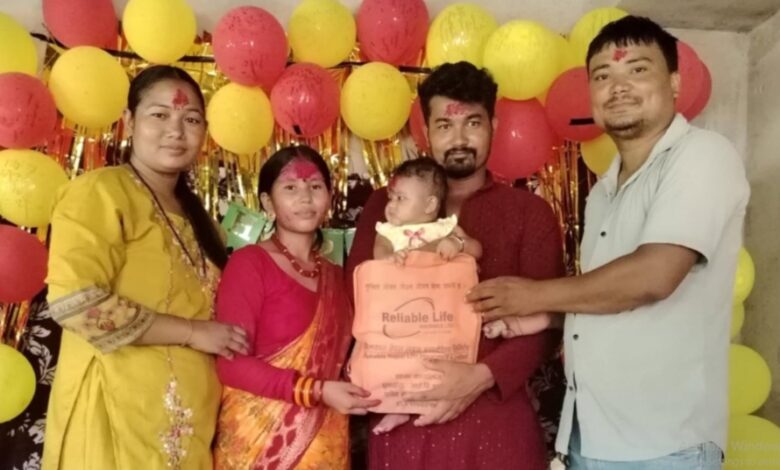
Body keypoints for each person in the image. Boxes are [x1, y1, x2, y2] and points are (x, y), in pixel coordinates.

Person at [468, 16, 750, 469]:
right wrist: (544, 317)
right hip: (591, 433)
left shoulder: (703, 155)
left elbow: (653, 276)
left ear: (674, 83)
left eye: (637, 69)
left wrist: (533, 294)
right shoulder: (603, 191)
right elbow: (606, 297)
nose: (618, 86)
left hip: (662, 444)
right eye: (602, 76)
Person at [346, 61, 564, 470]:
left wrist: (480, 376)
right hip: (402, 419)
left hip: (495, 423)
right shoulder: (385, 206)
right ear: (426, 132)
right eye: (445, 125)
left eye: (473, 123)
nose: (459, 138)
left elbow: (550, 322)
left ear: (494, 126)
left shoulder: (528, 212)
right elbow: (358, 297)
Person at [43, 65, 249, 470]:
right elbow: (76, 304)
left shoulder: (203, 221)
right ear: (129, 122)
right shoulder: (101, 192)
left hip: (190, 426)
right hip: (114, 417)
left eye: (191, 119)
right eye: (160, 115)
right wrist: (193, 332)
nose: (176, 130)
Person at [212, 145, 380, 470]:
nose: (305, 198)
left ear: (330, 197)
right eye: (290, 188)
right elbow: (232, 365)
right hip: (258, 445)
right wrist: (315, 390)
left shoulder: (335, 276)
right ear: (267, 202)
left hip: (324, 442)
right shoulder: (250, 264)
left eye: (315, 186)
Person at [368, 157, 484, 435]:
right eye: (391, 197)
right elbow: (379, 254)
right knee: (399, 358)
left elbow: (477, 249)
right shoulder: (388, 232)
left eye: (401, 198)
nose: (391, 204)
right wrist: (391, 258)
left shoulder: (445, 228)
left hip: (440, 313)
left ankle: (432, 399)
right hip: (403, 312)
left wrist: (457, 243)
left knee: (438, 357)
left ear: (430, 204)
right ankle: (396, 406)